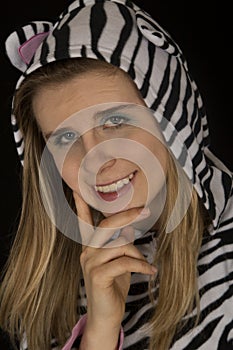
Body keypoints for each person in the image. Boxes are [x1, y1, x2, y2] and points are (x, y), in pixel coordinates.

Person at [0, 0, 232, 349]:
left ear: (172, 122)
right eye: (65, 138)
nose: (94, 160)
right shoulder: (46, 287)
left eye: (115, 122)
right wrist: (100, 331)